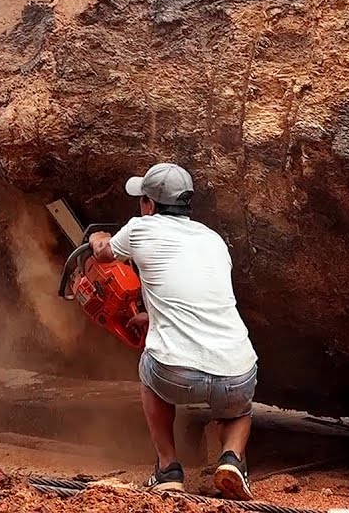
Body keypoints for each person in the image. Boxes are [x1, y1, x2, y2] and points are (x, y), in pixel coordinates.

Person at [88, 162, 259, 500]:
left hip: (174, 375)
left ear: (149, 204)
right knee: (241, 411)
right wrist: (153, 318)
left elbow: (104, 255)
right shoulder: (214, 240)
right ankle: (232, 458)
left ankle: (168, 468)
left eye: (142, 200)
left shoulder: (140, 228)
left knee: (149, 371)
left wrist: (97, 237)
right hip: (236, 373)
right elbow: (198, 300)